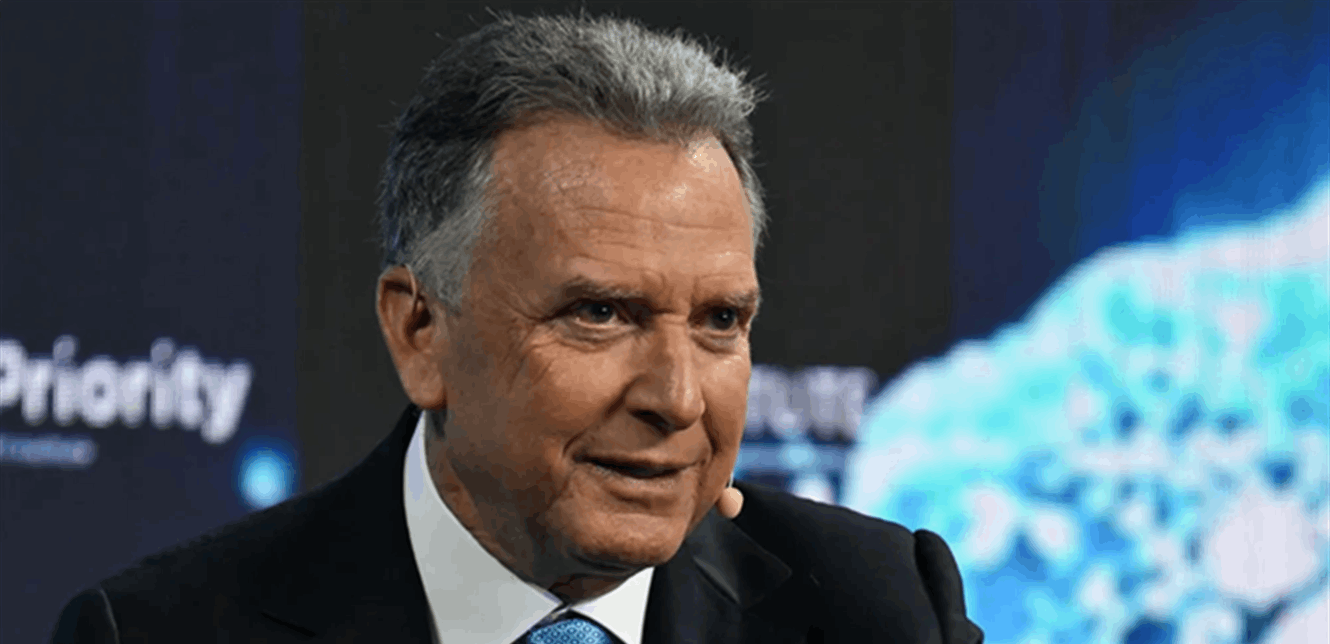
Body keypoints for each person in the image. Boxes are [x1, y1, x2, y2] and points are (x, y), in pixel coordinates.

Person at [51, 10, 983, 643]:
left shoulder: (880, 610)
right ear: (421, 331)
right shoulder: (161, 629)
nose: (677, 399)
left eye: (720, 320)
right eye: (600, 313)